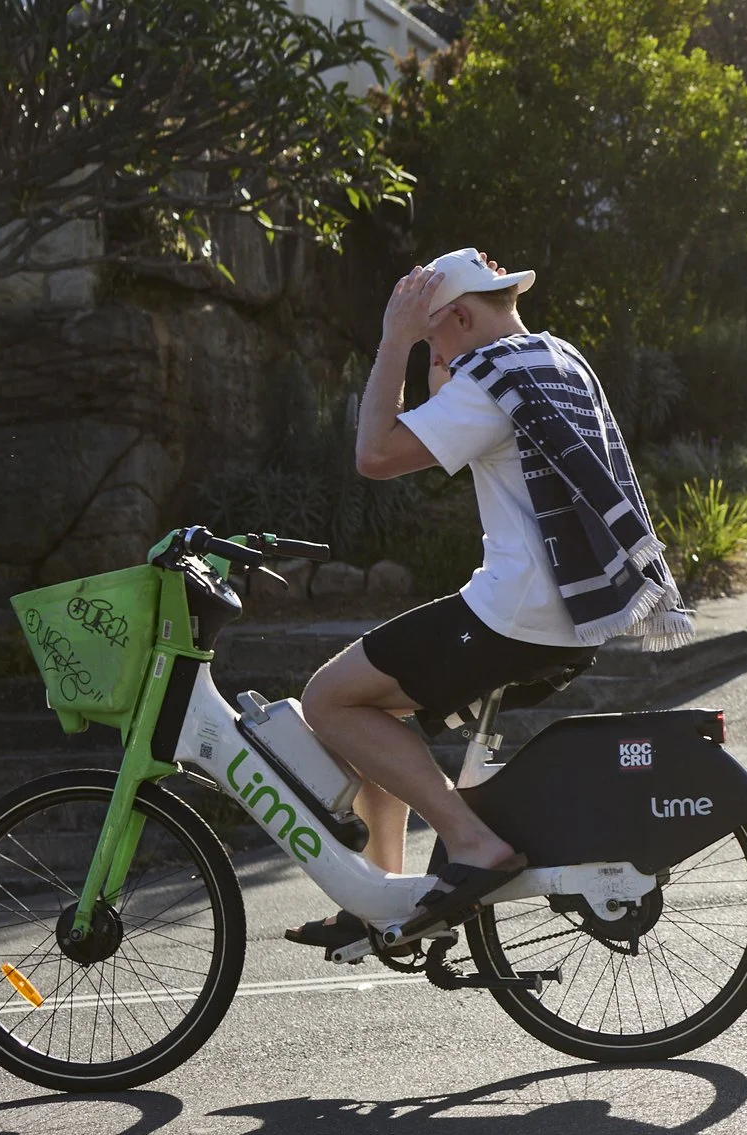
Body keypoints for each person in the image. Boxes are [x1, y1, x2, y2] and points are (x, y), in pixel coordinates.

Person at [290, 247, 688, 948]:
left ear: (464, 316)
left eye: (435, 333)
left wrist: (393, 340)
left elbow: (375, 455)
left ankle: (471, 843)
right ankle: (390, 896)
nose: (431, 349)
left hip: (518, 610)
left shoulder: (490, 381)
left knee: (329, 698)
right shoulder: (553, 360)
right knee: (373, 705)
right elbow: (452, 411)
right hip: (577, 611)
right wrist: (432, 351)